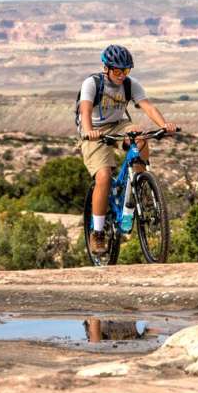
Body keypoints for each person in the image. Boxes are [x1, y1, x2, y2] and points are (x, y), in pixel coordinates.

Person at [78, 44, 177, 254]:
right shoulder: (92, 83)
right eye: (117, 70)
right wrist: (88, 131)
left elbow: (147, 106)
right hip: (94, 129)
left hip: (119, 124)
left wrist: (164, 125)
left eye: (126, 70)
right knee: (103, 176)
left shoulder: (130, 84)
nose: (122, 75)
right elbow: (85, 110)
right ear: (106, 68)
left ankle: (139, 185)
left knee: (140, 135)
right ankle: (97, 233)